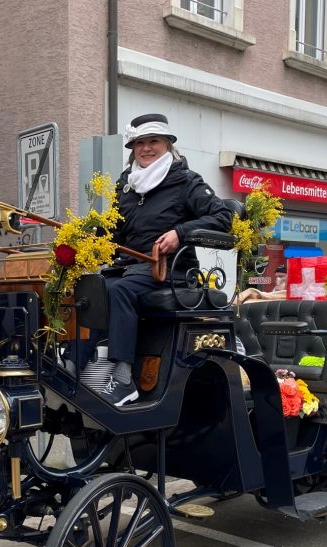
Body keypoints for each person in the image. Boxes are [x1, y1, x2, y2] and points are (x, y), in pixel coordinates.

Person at [99, 113, 232, 406]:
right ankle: (84, 364)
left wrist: (180, 233)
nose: (146, 148)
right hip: (130, 267)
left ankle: (123, 379)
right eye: (139, 143)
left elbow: (223, 217)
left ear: (167, 144)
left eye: (153, 142)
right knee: (90, 287)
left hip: (172, 270)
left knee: (118, 291)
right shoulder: (127, 185)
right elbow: (113, 232)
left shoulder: (185, 180)